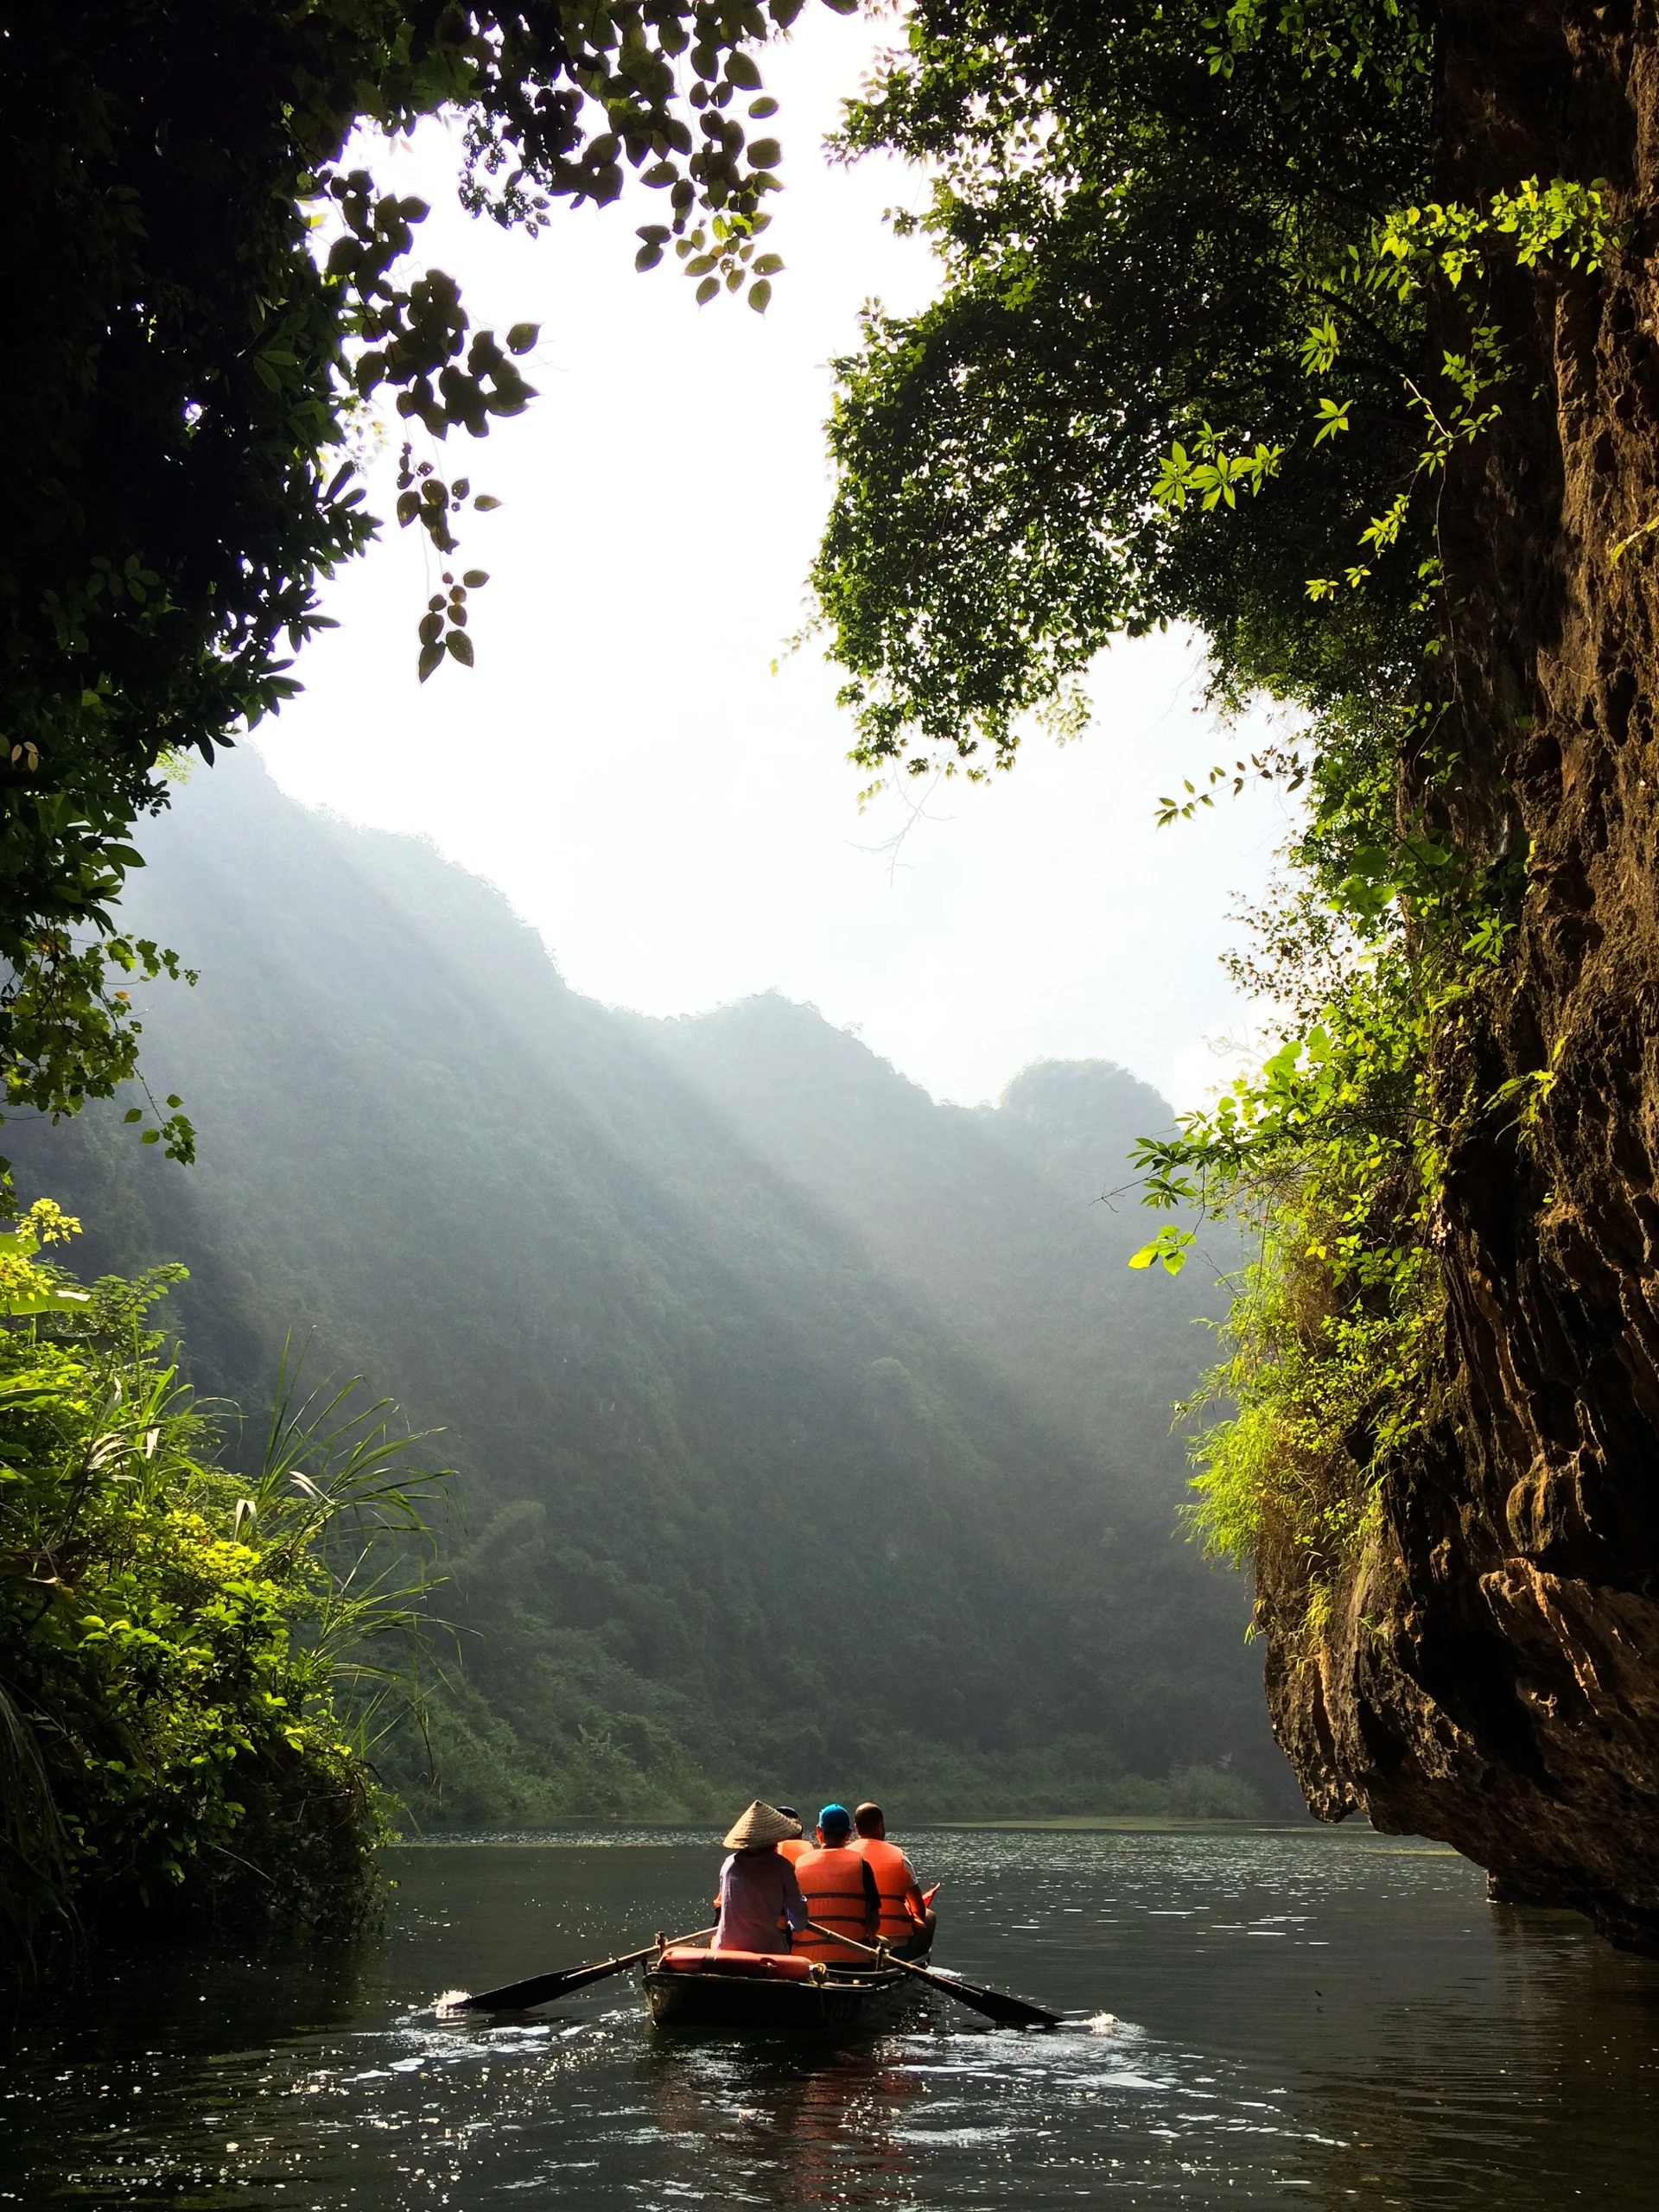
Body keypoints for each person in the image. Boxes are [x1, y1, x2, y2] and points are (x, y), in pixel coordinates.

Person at [711, 1800, 810, 1955]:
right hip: (765, 1950)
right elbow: (799, 1918)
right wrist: (796, 1924)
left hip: (724, 1947)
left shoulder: (728, 1864)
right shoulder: (781, 1866)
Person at [792, 1802, 881, 1963]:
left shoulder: (798, 1865)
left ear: (818, 1831)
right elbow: (874, 1924)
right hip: (853, 1963)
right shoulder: (862, 1866)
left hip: (807, 1963)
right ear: (848, 1834)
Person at [853, 1801, 936, 1958]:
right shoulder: (900, 1857)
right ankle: (917, 1964)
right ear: (881, 1826)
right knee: (930, 1917)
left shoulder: (847, 1856)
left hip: (854, 1943)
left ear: (856, 1828)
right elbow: (919, 1909)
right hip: (897, 1946)